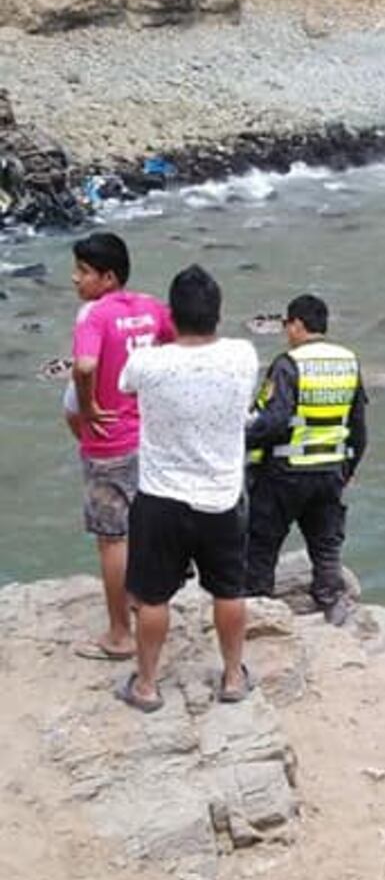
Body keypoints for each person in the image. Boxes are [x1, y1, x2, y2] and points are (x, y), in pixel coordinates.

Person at [116, 265, 260, 711]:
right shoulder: (243, 355)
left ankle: (146, 685)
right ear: (218, 314)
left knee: (153, 596)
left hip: (161, 496)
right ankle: (233, 677)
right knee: (229, 590)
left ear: (171, 316)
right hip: (221, 496)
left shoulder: (147, 364)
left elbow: (123, 388)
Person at [69, 231, 172, 660]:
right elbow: (178, 344)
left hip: (109, 442)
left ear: (107, 277)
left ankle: (119, 634)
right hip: (148, 437)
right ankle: (138, 599)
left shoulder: (93, 315)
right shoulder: (151, 307)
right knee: (142, 527)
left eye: (83, 271)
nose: (75, 279)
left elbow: (86, 363)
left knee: (112, 538)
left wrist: (90, 404)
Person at [245, 295, 368, 626]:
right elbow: (358, 426)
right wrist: (349, 468)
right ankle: (331, 603)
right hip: (330, 471)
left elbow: (273, 421)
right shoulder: (348, 361)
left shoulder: (289, 364)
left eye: (287, 325)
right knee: (326, 545)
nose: (287, 331)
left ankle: (260, 610)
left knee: (262, 543)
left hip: (284, 473)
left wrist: (243, 444)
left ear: (298, 324)